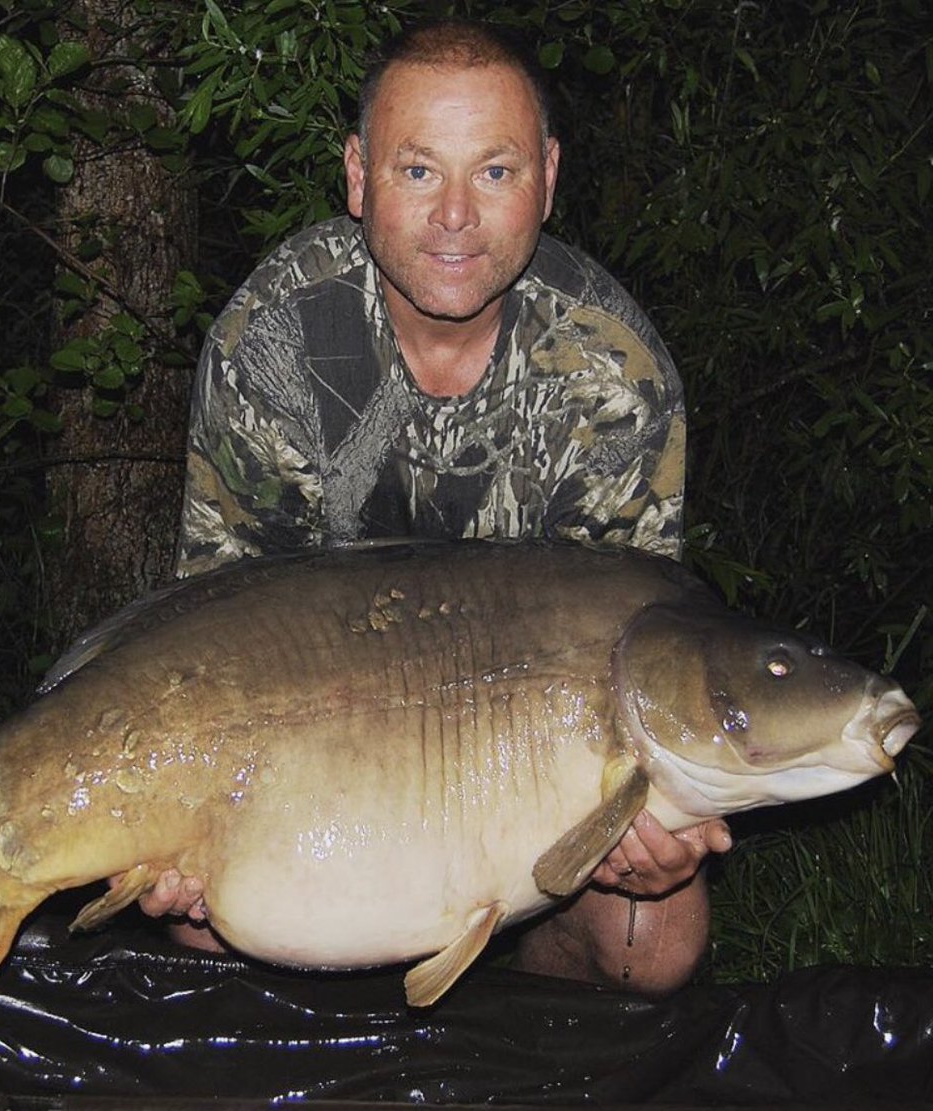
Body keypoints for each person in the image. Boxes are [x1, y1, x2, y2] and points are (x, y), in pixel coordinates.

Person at [135, 17, 731, 995]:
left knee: (651, 939)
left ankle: (509, 1021)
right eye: (419, 172)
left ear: (546, 174)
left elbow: (643, 637)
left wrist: (639, 829)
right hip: (320, 740)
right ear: (359, 176)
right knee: (208, 923)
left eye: (494, 172)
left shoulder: (609, 369)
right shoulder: (277, 338)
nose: (456, 215)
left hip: (525, 758)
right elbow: (216, 629)